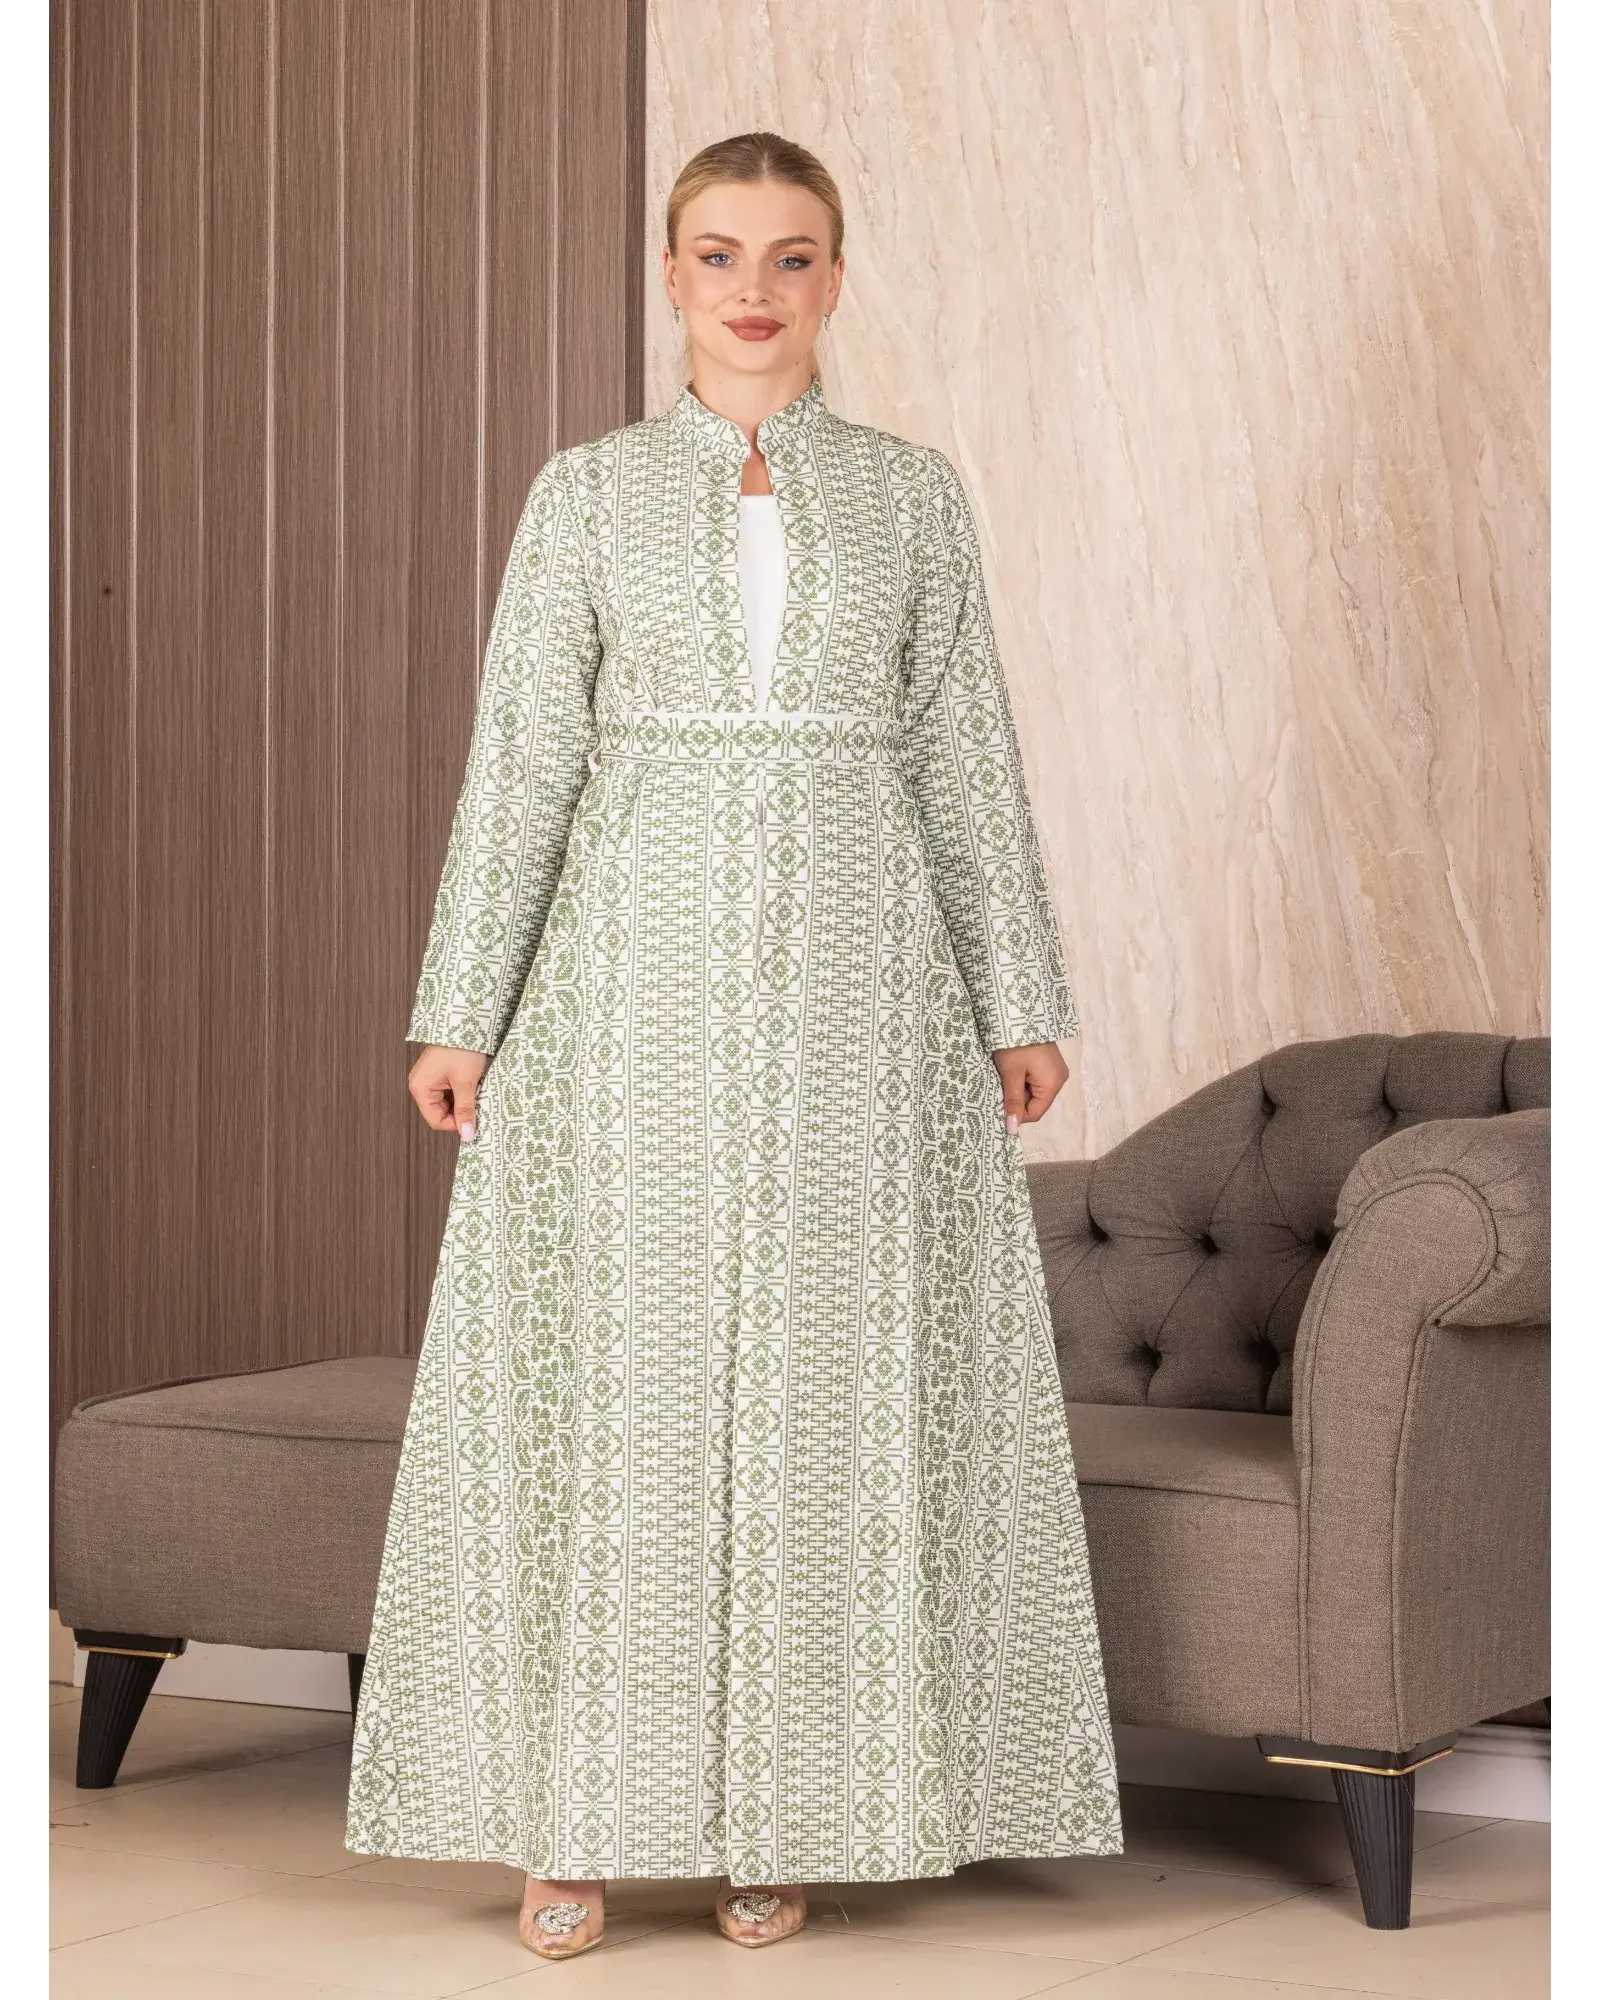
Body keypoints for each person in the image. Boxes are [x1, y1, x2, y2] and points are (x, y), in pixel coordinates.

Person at [346, 129, 1121, 1962]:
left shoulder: (914, 496)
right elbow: (523, 758)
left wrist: (1016, 996)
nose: (753, 291)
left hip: (869, 994)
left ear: (835, 278)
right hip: (625, 994)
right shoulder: (588, 495)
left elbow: (962, 748)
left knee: (827, 1396)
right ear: (671, 273)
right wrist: (462, 1008)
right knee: (622, 1391)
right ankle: (576, 1823)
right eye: (718, 254)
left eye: (789, 257)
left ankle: (785, 1810)